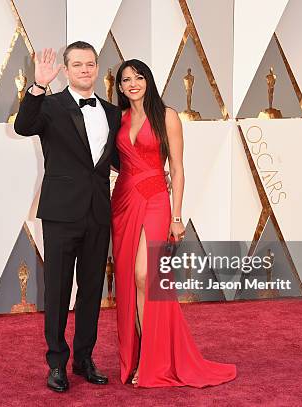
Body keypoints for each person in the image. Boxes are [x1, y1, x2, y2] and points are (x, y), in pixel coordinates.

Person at [111, 59, 237, 387]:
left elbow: (178, 169)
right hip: (123, 201)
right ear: (120, 87)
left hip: (155, 200)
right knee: (129, 282)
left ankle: (155, 362)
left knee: (147, 277)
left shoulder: (167, 116)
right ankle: (142, 359)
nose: (133, 83)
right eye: (126, 80)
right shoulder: (120, 118)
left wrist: (177, 216)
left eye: (138, 77)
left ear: (148, 81)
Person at [13, 42, 122, 393]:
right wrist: (38, 86)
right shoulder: (49, 105)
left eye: (90, 64)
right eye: (77, 64)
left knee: (91, 290)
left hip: (98, 213)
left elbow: (117, 159)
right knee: (59, 291)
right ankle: (56, 364)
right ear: (67, 68)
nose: (85, 70)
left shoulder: (110, 111)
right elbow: (23, 126)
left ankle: (84, 358)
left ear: (96, 67)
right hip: (61, 213)